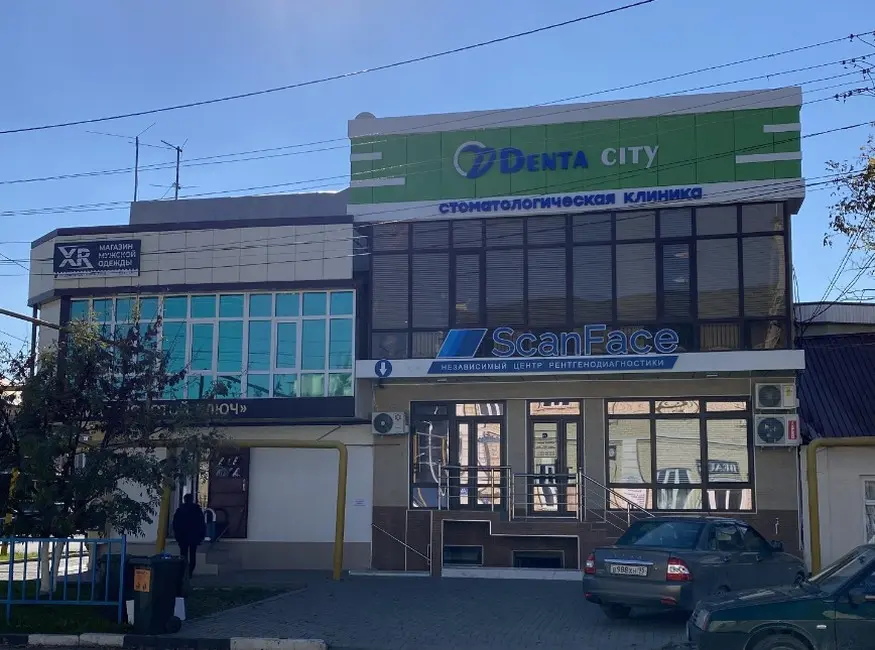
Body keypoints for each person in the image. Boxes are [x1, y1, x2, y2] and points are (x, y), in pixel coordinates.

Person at [172, 493, 206, 578]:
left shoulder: (180, 510)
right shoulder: (197, 510)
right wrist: (201, 536)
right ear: (192, 499)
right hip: (193, 537)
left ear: (184, 500)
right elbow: (202, 524)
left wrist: (177, 536)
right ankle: (189, 572)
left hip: (183, 537)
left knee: (183, 555)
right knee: (192, 555)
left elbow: (175, 524)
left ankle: (184, 572)